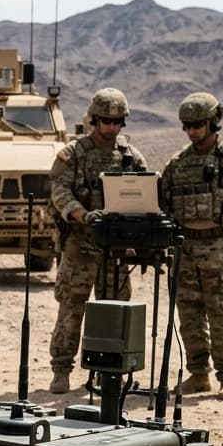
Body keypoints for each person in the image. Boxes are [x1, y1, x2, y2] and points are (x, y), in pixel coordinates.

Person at [160, 92, 223, 401]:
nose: (192, 131)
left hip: (219, 246)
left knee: (221, 313)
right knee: (189, 313)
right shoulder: (178, 164)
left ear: (213, 123)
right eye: (187, 126)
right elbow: (164, 202)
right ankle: (198, 374)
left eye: (198, 125)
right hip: (186, 247)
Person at [47, 88, 148, 394]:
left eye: (117, 121)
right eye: (105, 120)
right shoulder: (73, 154)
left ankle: (109, 372)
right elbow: (59, 190)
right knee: (71, 308)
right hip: (80, 246)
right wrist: (82, 214)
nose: (110, 127)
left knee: (114, 312)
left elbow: (146, 193)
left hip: (116, 251)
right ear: (94, 119)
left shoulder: (131, 156)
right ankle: (62, 369)